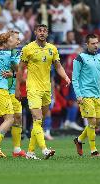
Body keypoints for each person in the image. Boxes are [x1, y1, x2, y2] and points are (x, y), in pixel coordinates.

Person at [15, 24, 71, 160]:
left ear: (47, 33)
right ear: (35, 32)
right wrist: (17, 88)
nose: (42, 33)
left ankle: (30, 152)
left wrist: (65, 77)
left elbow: (58, 66)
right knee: (38, 118)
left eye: (44, 31)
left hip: (46, 89)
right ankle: (44, 149)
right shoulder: (27, 49)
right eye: (39, 30)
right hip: (33, 88)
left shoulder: (52, 49)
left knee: (39, 122)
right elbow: (20, 69)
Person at [72, 34, 100, 157]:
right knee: (92, 122)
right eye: (93, 43)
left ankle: (79, 140)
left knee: (98, 123)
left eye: (97, 43)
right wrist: (78, 95)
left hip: (97, 95)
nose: (96, 45)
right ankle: (93, 150)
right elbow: (75, 78)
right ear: (87, 44)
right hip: (85, 95)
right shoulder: (80, 58)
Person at [5, 30, 27, 157]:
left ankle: (17, 149)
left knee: (17, 117)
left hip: (14, 90)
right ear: (8, 39)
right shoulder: (0, 52)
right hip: (1, 90)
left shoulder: (19, 54)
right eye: (16, 39)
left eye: (19, 39)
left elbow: (20, 73)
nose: (19, 41)